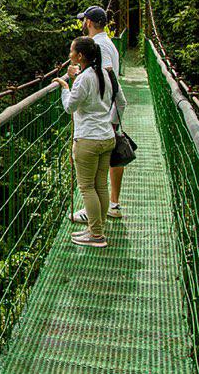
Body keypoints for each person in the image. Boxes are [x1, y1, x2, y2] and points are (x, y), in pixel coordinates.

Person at [52, 36, 126, 247]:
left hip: (88, 140)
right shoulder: (104, 73)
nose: (69, 55)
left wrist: (65, 87)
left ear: (80, 56)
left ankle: (96, 235)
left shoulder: (84, 79)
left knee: (86, 187)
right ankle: (96, 229)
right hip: (106, 137)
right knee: (100, 185)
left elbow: (70, 107)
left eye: (71, 51)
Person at [68, 5, 126, 224]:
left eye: (84, 21)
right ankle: (111, 205)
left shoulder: (98, 45)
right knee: (99, 180)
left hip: (100, 118)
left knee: (89, 183)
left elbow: (105, 76)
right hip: (107, 115)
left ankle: (94, 221)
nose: (83, 24)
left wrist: (76, 79)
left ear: (89, 23)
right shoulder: (108, 42)